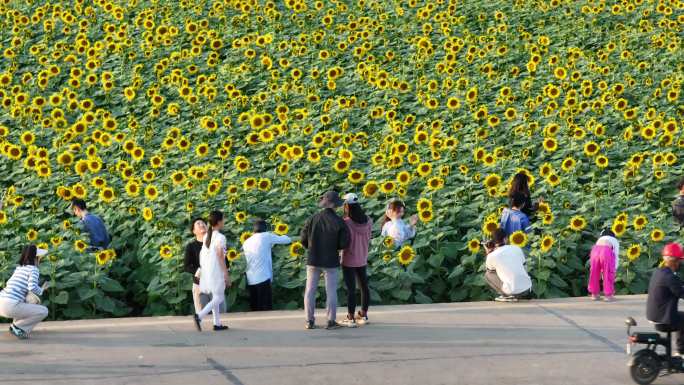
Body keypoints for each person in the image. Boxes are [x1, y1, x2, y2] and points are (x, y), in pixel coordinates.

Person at [301, 191, 350, 330]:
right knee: (331, 291)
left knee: (310, 290)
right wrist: (336, 248)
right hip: (331, 260)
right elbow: (344, 243)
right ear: (335, 205)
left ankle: (309, 321)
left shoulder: (312, 218)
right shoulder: (339, 221)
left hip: (313, 258)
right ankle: (330, 321)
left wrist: (310, 247)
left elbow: (303, 238)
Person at [0, 245, 49, 339]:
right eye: (40, 258)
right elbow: (32, 287)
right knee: (43, 311)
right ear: (35, 258)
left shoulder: (19, 268)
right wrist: (41, 291)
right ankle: (19, 327)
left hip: (1, 302)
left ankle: (16, 325)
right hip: (10, 306)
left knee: (27, 300)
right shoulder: (33, 269)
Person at [242, 219, 291, 311]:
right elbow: (286, 240)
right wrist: (277, 233)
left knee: (255, 308)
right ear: (265, 229)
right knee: (266, 308)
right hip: (263, 277)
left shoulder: (246, 242)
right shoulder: (266, 236)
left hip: (251, 279)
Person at [193, 210, 230, 332]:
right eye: (223, 219)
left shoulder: (207, 237)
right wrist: (226, 274)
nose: (224, 221)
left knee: (216, 296)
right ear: (219, 222)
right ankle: (199, 316)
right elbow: (220, 255)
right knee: (219, 298)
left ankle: (217, 323)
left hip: (208, 271)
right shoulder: (220, 237)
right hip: (217, 271)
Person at [340, 193, 372, 328]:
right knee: (364, 286)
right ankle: (363, 314)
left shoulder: (346, 222)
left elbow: (342, 241)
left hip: (348, 259)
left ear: (346, 206)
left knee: (351, 289)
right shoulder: (369, 221)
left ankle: (351, 317)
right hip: (362, 257)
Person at [646, 243, 684, 356]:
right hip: (664, 319)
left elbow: (677, 286)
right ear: (674, 261)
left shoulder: (659, 272)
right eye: (679, 261)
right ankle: (681, 352)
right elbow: (681, 292)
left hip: (654, 314)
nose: (680, 263)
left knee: (681, 317)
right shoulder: (670, 277)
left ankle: (680, 350)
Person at [483, 229, 532, 302]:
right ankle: (513, 292)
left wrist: (488, 253)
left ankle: (507, 295)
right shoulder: (517, 248)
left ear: (492, 242)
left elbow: (490, 270)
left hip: (512, 290)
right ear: (505, 239)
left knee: (488, 274)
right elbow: (524, 266)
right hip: (527, 289)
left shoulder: (492, 255)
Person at [588, 229, 620, 302]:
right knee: (607, 272)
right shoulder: (614, 240)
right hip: (606, 251)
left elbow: (597, 251)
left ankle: (594, 294)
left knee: (594, 272)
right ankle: (608, 296)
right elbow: (616, 254)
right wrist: (614, 268)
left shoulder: (600, 239)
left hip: (595, 250)